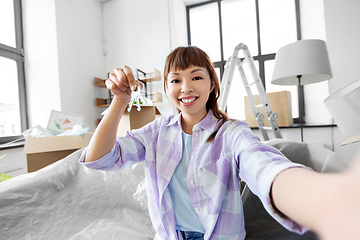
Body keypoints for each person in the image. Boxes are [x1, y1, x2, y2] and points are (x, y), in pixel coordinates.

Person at [80, 46, 360, 240]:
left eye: (196, 77)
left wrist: (322, 198)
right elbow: (99, 159)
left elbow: (263, 165)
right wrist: (120, 100)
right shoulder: (155, 132)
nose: (186, 87)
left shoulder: (231, 133)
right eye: (175, 80)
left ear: (212, 84)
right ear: (166, 88)